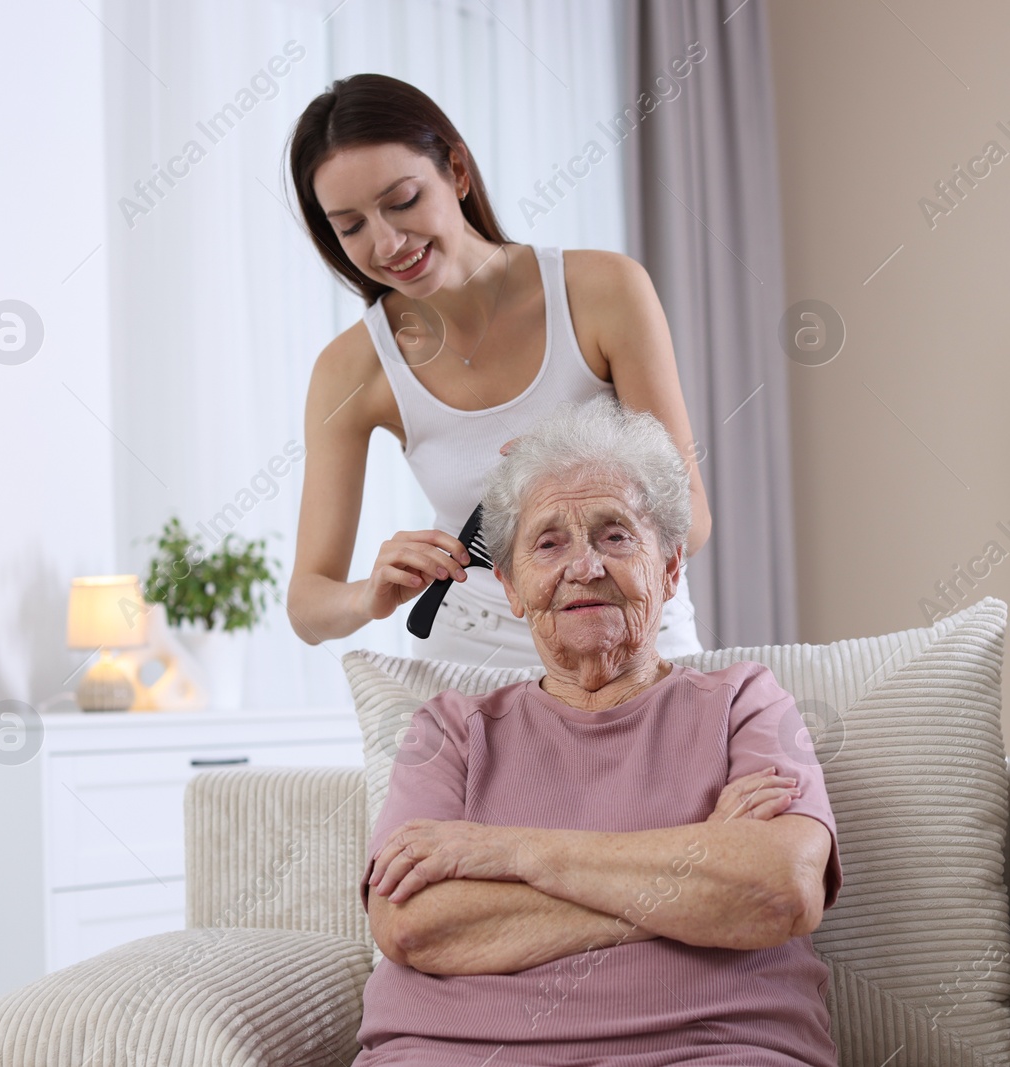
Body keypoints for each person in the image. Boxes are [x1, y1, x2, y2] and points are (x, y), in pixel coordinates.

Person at [353, 396, 842, 1066]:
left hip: (708, 1047)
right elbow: (411, 924)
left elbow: (779, 890)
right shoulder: (451, 730)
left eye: (615, 535)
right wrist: (693, 878)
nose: (583, 566)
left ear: (669, 569)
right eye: (549, 542)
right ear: (512, 585)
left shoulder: (743, 703)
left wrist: (507, 854)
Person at [284, 72, 710, 667]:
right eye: (351, 226)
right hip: (477, 670)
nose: (386, 243)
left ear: (456, 171)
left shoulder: (604, 291)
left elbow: (689, 520)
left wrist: (568, 468)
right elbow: (307, 607)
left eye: (402, 201)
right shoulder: (351, 369)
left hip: (635, 650)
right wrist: (368, 594)